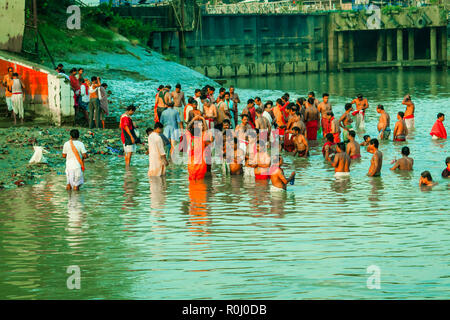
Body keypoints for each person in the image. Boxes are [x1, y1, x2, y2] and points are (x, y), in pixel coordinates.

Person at [186, 114, 212, 180]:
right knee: (200, 185)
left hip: (195, 166)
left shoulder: (193, 137)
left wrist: (194, 119)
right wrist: (202, 119)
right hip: (197, 166)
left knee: (193, 186)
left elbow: (188, 128)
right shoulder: (199, 137)